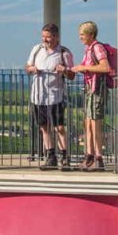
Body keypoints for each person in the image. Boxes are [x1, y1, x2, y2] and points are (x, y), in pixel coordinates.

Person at [25, 23, 73, 170]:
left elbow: (72, 75)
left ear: (56, 36)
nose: (45, 40)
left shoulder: (64, 53)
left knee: (59, 127)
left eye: (48, 37)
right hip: (38, 96)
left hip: (55, 96)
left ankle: (64, 156)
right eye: (43, 36)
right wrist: (31, 69)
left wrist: (64, 70)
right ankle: (50, 156)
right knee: (44, 127)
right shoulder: (36, 49)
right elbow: (27, 67)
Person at [71, 21, 113, 171]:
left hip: (97, 89)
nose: (80, 37)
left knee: (95, 123)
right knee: (88, 123)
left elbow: (105, 67)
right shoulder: (88, 49)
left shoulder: (97, 48)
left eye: (82, 34)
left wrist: (84, 67)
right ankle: (90, 156)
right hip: (91, 88)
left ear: (91, 34)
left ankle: (98, 157)